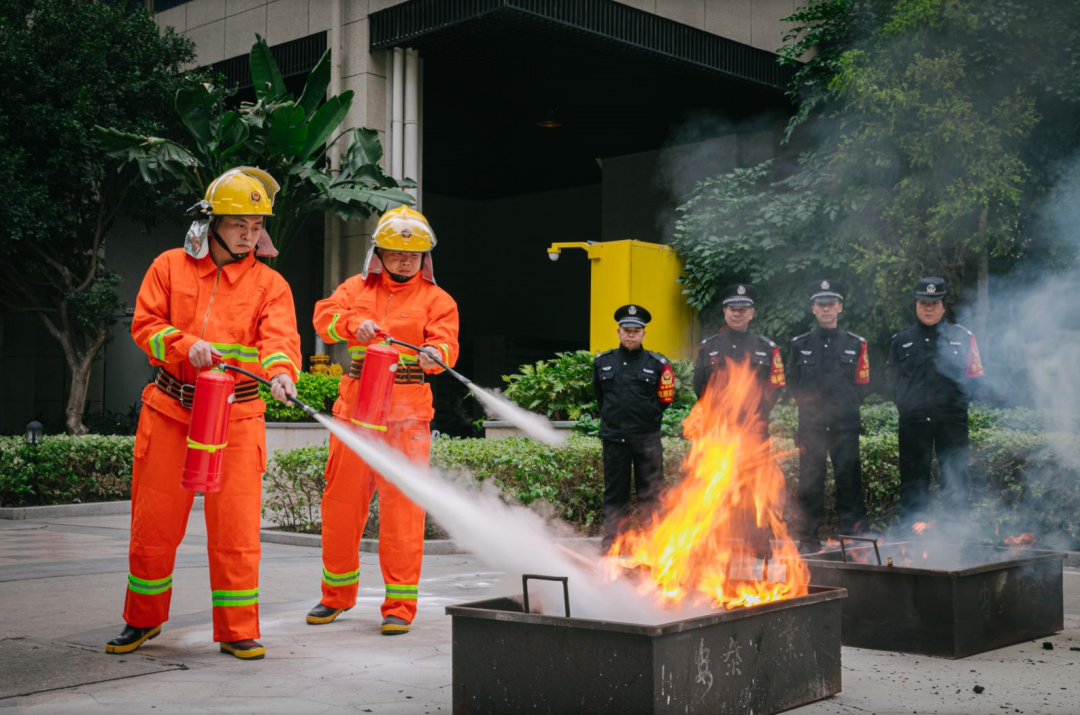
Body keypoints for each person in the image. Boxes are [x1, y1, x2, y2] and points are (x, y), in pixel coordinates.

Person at [106, 168, 302, 660]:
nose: (249, 235)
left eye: (257, 225)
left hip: (238, 417)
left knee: (237, 531)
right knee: (153, 527)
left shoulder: (271, 284)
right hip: (171, 410)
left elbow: (280, 340)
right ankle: (142, 620)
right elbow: (145, 325)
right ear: (211, 223)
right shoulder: (169, 266)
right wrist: (183, 345)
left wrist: (282, 373)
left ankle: (238, 629)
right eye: (239, 224)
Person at [306, 205, 459, 635]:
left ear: (425, 257)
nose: (405, 260)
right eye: (396, 253)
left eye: (413, 254)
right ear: (379, 254)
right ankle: (335, 597)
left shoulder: (438, 300)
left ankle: (399, 607)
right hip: (355, 413)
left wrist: (436, 355)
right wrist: (354, 324)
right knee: (340, 508)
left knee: (403, 515)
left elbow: (447, 344)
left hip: (407, 418)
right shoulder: (355, 288)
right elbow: (323, 318)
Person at [887, 277, 984, 525]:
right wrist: (907, 406)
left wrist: (958, 406)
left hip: (951, 422)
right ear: (916, 305)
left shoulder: (963, 337)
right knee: (912, 479)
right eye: (923, 303)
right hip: (913, 422)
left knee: (955, 480)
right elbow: (893, 382)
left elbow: (974, 378)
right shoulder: (901, 340)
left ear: (943, 305)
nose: (928, 308)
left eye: (934, 303)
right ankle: (911, 536)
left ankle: (954, 536)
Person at [787, 280, 870, 552]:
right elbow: (794, 384)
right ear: (813, 308)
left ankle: (853, 542)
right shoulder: (799, 344)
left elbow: (862, 386)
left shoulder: (856, 344)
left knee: (850, 484)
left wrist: (843, 407)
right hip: (811, 428)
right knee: (810, 485)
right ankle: (808, 541)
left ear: (840, 307)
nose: (826, 309)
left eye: (831, 304)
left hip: (845, 427)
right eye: (820, 305)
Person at [592, 305, 675, 551]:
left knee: (651, 492)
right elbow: (600, 397)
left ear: (643, 334)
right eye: (626, 330)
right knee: (615, 493)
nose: (631, 335)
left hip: (646, 441)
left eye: (636, 331)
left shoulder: (658, 364)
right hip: (614, 439)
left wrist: (645, 420)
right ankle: (615, 542)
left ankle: (653, 543)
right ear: (618, 332)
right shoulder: (603, 362)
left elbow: (665, 399)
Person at [693, 284, 785, 431]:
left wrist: (758, 413)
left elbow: (775, 387)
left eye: (742, 310)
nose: (737, 314)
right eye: (732, 309)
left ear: (751, 313)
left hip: (754, 426)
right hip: (717, 426)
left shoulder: (766, 348)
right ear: (725, 312)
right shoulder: (708, 347)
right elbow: (699, 384)